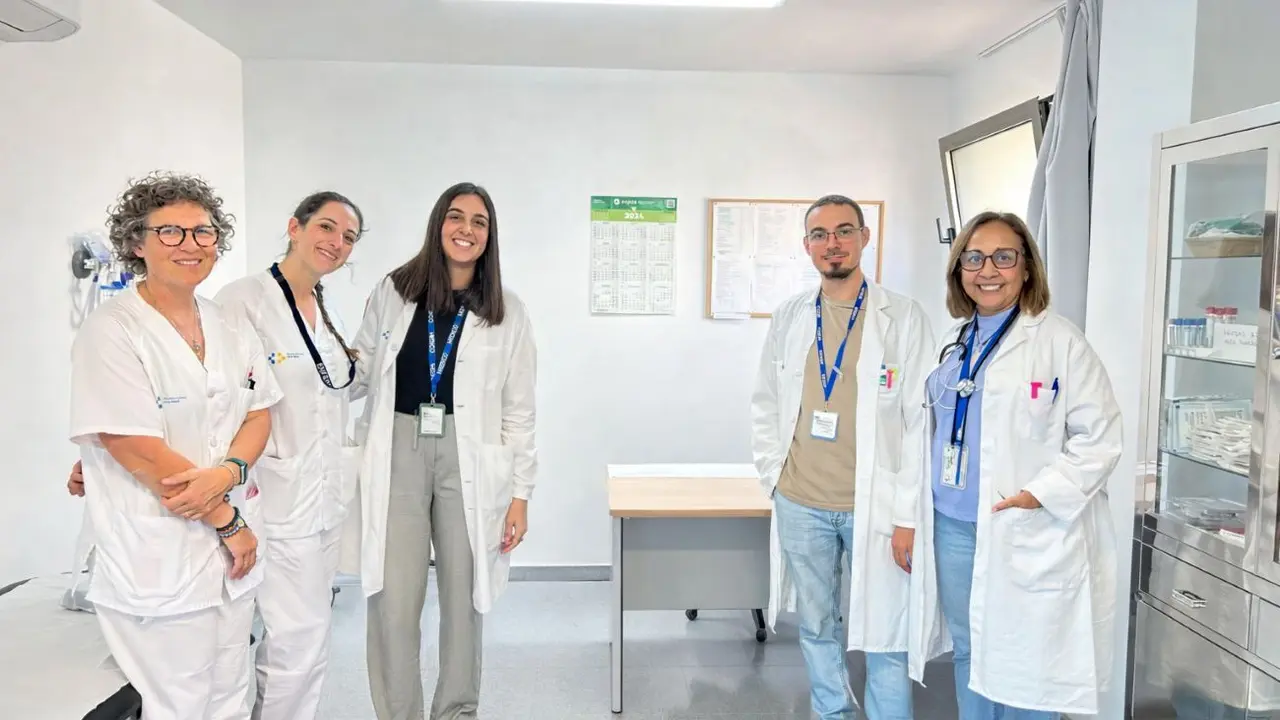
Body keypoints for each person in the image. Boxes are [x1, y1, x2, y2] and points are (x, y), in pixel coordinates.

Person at [68, 171, 282, 720]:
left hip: (231, 553)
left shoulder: (228, 323)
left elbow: (258, 411)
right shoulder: (112, 330)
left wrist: (229, 472)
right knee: (181, 705)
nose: (190, 244)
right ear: (136, 244)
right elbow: (135, 446)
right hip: (160, 552)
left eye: (203, 232)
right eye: (170, 232)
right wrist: (226, 519)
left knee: (231, 697)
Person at [905, 211, 1122, 719]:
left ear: (1026, 268)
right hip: (954, 524)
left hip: (1023, 522)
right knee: (970, 646)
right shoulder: (956, 343)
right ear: (959, 270)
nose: (988, 270)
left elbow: (1101, 438)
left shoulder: (1059, 342)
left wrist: (1040, 494)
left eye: (1004, 257)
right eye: (974, 258)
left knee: (1030, 659)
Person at [347, 181, 538, 720]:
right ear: (438, 224)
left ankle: (456, 710)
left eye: (479, 223)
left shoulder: (507, 311)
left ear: (489, 237)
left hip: (469, 455)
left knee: (464, 596)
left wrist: (520, 494)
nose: (466, 230)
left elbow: (520, 410)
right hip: (398, 449)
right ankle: (398, 712)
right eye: (456, 218)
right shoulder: (394, 290)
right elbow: (359, 370)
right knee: (393, 598)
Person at [750, 194, 934, 720]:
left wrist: (907, 513)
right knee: (816, 623)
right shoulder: (790, 316)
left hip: (874, 503)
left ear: (864, 238)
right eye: (820, 234)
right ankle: (832, 712)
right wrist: (774, 474)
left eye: (844, 231)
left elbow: (922, 417)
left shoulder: (902, 316)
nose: (833, 244)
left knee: (886, 627)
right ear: (807, 246)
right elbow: (766, 400)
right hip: (802, 500)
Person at [212, 191, 366, 720]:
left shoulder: (325, 304)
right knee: (296, 639)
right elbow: (218, 398)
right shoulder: (243, 301)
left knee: (305, 637)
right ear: (294, 228)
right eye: (327, 227)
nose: (336, 243)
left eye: (348, 237)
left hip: (323, 498)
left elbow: (334, 385)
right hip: (270, 497)